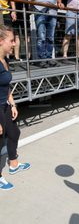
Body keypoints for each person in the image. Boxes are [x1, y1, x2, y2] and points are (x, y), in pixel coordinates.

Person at [0, 25, 31, 190]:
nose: (14, 44)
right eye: (11, 41)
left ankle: (13, 164)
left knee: (14, 133)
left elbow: (6, 86)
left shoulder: (5, 59)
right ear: (0, 41)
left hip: (4, 105)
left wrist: (12, 104)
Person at [30, 0, 64, 68]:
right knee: (41, 36)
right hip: (39, 8)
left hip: (53, 9)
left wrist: (59, 3)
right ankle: (42, 59)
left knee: (51, 37)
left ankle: (49, 58)